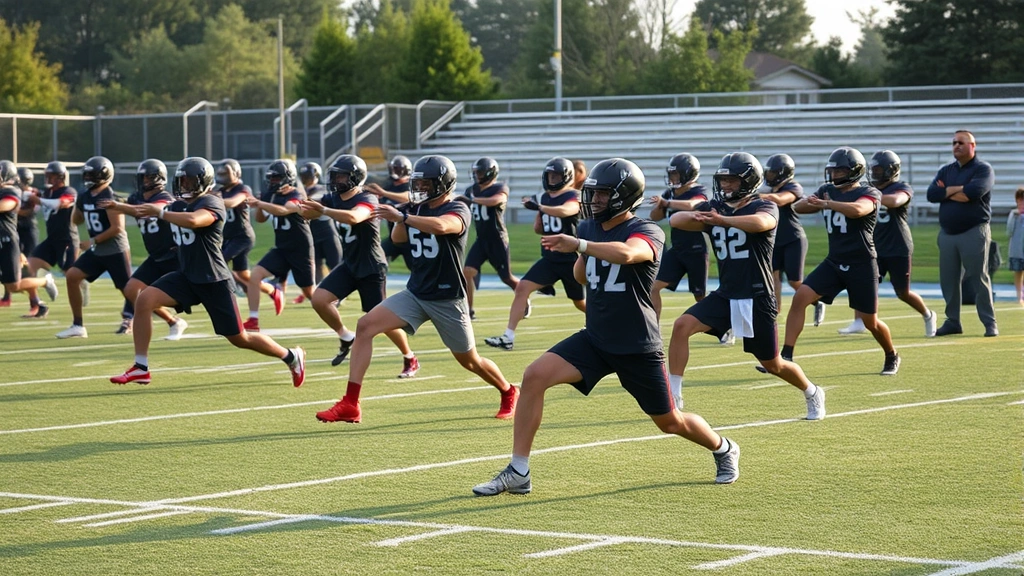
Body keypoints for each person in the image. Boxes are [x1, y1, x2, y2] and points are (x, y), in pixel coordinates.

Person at [472, 158, 739, 497]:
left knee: (670, 422)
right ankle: (518, 470)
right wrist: (580, 249)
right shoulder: (589, 227)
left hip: (636, 345)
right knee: (534, 375)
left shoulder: (647, 230)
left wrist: (581, 246)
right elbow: (581, 277)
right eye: (593, 193)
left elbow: (629, 254)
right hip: (596, 337)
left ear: (624, 196)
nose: (594, 200)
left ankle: (723, 447)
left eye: (601, 194)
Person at [315, 155, 519, 424]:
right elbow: (399, 239)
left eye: (426, 183)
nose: (420, 187)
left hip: (447, 297)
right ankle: (351, 404)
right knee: (365, 326)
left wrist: (404, 215)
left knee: (470, 360)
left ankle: (508, 390)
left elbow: (444, 226)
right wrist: (401, 219)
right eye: (418, 182)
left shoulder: (458, 207)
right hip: (416, 293)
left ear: (443, 184)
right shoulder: (418, 207)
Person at [110, 157, 305, 387]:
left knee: (240, 338)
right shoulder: (178, 205)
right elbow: (147, 212)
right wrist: (118, 206)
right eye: (182, 181)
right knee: (144, 300)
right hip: (186, 276)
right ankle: (141, 367)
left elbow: (194, 220)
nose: (184, 186)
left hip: (213, 280)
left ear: (204, 182)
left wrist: (161, 213)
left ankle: (291, 356)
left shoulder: (213, 202)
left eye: (190, 181)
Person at [667, 153, 825, 420]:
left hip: (756, 295)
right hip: (727, 293)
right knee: (682, 326)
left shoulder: (762, 205)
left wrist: (723, 220)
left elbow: (763, 223)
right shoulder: (716, 207)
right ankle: (674, 394)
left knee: (772, 363)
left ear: (749, 182)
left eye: (731, 180)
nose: (725, 186)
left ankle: (812, 391)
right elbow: (675, 220)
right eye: (723, 180)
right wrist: (701, 216)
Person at [783, 147, 900, 376]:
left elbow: (858, 210)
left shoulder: (869, 192)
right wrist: (814, 202)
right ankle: (786, 355)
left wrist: (828, 204)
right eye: (833, 170)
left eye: (841, 170)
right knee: (800, 297)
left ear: (855, 171)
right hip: (835, 261)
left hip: (862, 263)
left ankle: (891, 354)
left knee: (870, 321)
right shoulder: (827, 190)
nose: (835, 175)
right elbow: (798, 207)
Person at [300, 155, 418, 375]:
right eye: (334, 175)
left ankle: (409, 356)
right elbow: (307, 209)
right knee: (319, 299)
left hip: (371, 266)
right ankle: (346, 336)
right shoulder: (333, 197)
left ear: (355, 177)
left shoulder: (368, 198)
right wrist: (301, 208)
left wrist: (322, 211)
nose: (336, 179)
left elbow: (355, 217)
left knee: (379, 321)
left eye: (341, 175)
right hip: (350, 263)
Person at [484, 157, 585, 351]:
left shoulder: (574, 195)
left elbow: (567, 210)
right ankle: (508, 337)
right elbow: (539, 228)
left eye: (556, 176)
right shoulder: (544, 196)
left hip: (571, 260)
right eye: (550, 175)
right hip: (549, 258)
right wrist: (539, 217)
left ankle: (603, 326)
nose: (552, 179)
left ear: (566, 176)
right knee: (522, 288)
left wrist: (539, 207)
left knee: (579, 302)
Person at [837, 151, 937, 337]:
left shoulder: (901, 187)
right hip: (874, 246)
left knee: (902, 292)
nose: (875, 173)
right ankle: (859, 320)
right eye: (873, 169)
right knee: (863, 285)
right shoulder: (868, 188)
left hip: (898, 246)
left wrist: (870, 196)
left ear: (891, 170)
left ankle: (928, 314)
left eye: (879, 169)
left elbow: (896, 200)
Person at [99, 159, 189, 341]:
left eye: (148, 178)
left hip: (173, 255)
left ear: (159, 178)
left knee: (189, 294)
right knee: (131, 290)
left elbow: (145, 211)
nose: (144, 181)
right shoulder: (135, 197)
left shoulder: (166, 197)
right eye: (143, 178)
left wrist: (118, 206)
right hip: (156, 257)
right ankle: (173, 322)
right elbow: (131, 206)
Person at [926, 130, 998, 337]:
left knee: (978, 277)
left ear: (972, 146)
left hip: (974, 231)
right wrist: (956, 190)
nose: (956, 146)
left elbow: (972, 194)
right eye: (954, 142)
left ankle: (989, 322)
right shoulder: (946, 170)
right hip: (948, 233)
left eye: (961, 142)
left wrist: (946, 192)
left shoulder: (983, 169)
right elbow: (932, 194)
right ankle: (953, 321)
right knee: (948, 280)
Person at [56, 156, 134, 339]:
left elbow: (117, 228)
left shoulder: (109, 196)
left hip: (115, 249)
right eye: (87, 174)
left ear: (103, 175)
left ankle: (171, 320)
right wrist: (78, 204)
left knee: (129, 290)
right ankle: (78, 325)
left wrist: (93, 241)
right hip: (98, 251)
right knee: (72, 276)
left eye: (92, 174)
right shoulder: (85, 195)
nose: (88, 178)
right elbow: (76, 220)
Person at [243, 159, 315, 331]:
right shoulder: (270, 194)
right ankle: (253, 320)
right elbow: (261, 219)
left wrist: (259, 203)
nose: (272, 182)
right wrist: (260, 205)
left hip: (300, 249)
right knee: (255, 275)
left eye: (276, 178)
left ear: (287, 177)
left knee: (309, 293)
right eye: (271, 178)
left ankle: (331, 309)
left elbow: (284, 210)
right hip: (282, 248)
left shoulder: (296, 194)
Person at [647, 153, 711, 322]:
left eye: (676, 174)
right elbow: (655, 217)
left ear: (688, 174)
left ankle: (723, 329)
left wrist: (667, 203)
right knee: (654, 287)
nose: (673, 178)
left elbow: (693, 205)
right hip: (677, 248)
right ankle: (653, 329)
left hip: (696, 249)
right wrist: (660, 205)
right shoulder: (670, 193)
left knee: (700, 296)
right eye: (671, 174)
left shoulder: (699, 191)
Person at [758, 154, 819, 322]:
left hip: (793, 239)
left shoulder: (793, 187)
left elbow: (780, 200)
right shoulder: (769, 191)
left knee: (795, 281)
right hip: (774, 240)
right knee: (773, 277)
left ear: (783, 173)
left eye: (772, 173)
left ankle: (817, 301)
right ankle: (774, 312)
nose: (768, 176)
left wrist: (753, 196)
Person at [461, 157, 520, 319]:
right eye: (475, 172)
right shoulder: (471, 189)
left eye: (479, 172)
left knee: (507, 278)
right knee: (467, 272)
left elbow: (497, 200)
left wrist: (473, 200)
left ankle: (524, 297)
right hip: (481, 240)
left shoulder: (499, 187)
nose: (476, 176)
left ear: (489, 173)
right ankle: (468, 311)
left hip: (497, 240)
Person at [23, 161, 78, 319]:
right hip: (51, 240)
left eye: (51, 175)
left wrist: (38, 200)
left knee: (71, 276)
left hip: (66, 240)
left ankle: (78, 311)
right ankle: (38, 304)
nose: (47, 178)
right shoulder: (46, 193)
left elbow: (60, 204)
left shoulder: (69, 191)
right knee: (29, 267)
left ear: (60, 177)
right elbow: (33, 203)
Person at [0, 161, 59, 309]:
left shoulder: (12, 192)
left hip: (7, 242)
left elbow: (6, 205)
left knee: (14, 286)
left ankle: (45, 282)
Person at [214, 159, 266, 299]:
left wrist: (212, 201)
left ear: (236, 173)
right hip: (228, 237)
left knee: (219, 261)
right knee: (243, 274)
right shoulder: (220, 191)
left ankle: (230, 290)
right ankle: (272, 291)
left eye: (226, 173)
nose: (222, 175)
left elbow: (233, 202)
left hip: (242, 236)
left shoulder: (243, 189)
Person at [295, 161, 341, 303]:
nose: (305, 179)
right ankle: (319, 294)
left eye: (307, 176)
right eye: (303, 176)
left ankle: (338, 293)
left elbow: (311, 202)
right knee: (316, 265)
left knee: (335, 264)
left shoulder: (321, 189)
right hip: (312, 233)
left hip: (327, 231)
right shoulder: (300, 191)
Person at [365, 155, 413, 269]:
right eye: (394, 169)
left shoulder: (411, 185)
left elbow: (408, 197)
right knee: (376, 259)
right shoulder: (389, 185)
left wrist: (384, 192)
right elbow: (379, 206)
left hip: (410, 238)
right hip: (393, 236)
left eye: (398, 169)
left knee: (415, 269)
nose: (395, 172)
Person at [1007, 187, 1024, 306]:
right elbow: (1009, 231)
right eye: (1019, 201)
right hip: (1017, 250)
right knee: (1018, 273)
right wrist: (1015, 217)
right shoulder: (1013, 214)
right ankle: (1019, 297)